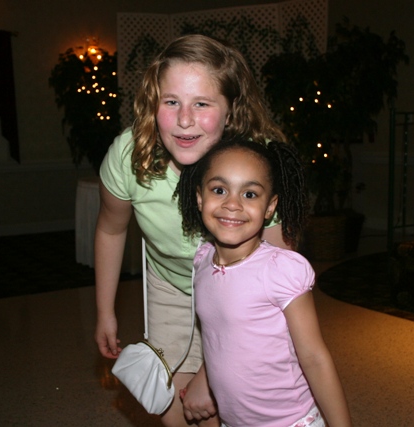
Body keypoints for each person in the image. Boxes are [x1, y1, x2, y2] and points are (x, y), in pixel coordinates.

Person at [94, 34, 287, 427]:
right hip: (170, 285)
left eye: (202, 103)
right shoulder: (128, 156)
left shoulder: (259, 165)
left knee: (224, 404)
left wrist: (209, 374)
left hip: (242, 294)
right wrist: (105, 312)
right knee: (174, 410)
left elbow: (275, 277)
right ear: (153, 103)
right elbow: (111, 231)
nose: (184, 120)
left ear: (231, 110)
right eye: (171, 102)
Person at [177, 138, 353, 427]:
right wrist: (203, 377)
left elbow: (314, 358)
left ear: (270, 207)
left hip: (292, 421)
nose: (232, 204)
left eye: (249, 194)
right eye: (219, 190)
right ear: (199, 198)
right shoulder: (203, 260)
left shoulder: (280, 270)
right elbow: (222, 342)